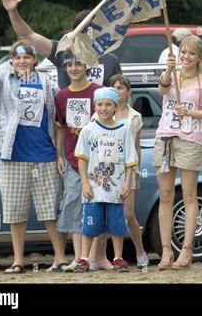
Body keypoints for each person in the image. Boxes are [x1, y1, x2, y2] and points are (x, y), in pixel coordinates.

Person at [0, 40, 67, 273]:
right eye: (18, 58)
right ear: (12, 61)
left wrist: (59, 154)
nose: (22, 61)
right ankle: (18, 260)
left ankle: (60, 258)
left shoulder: (49, 85)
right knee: (15, 212)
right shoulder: (5, 82)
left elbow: (60, 120)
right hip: (13, 156)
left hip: (45, 154)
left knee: (50, 211)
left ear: (34, 60)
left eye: (27, 57)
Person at [155, 35, 202, 270]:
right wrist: (169, 70)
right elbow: (161, 90)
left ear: (199, 57)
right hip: (165, 137)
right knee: (166, 195)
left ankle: (187, 250)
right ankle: (166, 250)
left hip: (189, 140)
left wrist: (190, 113)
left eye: (191, 53)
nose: (186, 57)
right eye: (183, 53)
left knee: (189, 195)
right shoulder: (173, 77)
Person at [0, 0, 122, 89]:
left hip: (102, 118)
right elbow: (28, 35)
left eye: (93, 29)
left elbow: (122, 92)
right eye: (83, 30)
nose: (89, 35)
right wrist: (12, 12)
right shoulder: (62, 51)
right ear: (75, 33)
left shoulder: (111, 60)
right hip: (66, 118)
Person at [73, 87, 138, 272]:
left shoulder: (124, 131)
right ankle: (84, 258)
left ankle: (118, 257)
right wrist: (85, 182)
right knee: (90, 226)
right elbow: (82, 159)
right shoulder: (88, 130)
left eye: (108, 104)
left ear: (115, 106)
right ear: (95, 106)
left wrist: (127, 183)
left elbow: (130, 160)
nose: (104, 108)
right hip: (93, 189)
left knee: (117, 226)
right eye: (100, 104)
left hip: (116, 189)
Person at [91, 74, 149, 270]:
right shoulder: (100, 114)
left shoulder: (135, 117)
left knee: (128, 214)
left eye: (121, 88)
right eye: (113, 87)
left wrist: (137, 173)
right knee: (103, 214)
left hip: (126, 172)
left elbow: (136, 147)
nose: (118, 91)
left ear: (128, 91)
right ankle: (100, 257)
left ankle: (140, 251)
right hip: (104, 172)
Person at [53, 49, 103, 272]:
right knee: (74, 204)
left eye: (78, 64)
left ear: (86, 66)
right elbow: (61, 128)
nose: (74, 68)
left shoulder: (98, 92)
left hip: (98, 160)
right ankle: (78, 257)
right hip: (73, 160)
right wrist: (59, 155)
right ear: (65, 68)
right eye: (69, 64)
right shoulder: (62, 96)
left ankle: (94, 257)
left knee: (96, 206)